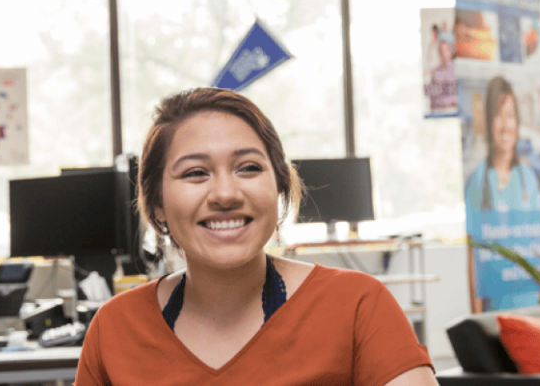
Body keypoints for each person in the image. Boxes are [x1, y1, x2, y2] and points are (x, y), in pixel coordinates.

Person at [76, 88, 436, 386]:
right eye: (196, 172)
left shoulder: (357, 306)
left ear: (279, 185)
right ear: (157, 205)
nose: (226, 194)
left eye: (248, 168)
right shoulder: (115, 328)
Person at [465, 76, 540, 211]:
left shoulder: (528, 178)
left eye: (509, 115)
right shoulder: (476, 182)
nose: (505, 127)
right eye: (497, 115)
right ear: (488, 122)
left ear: (517, 121)